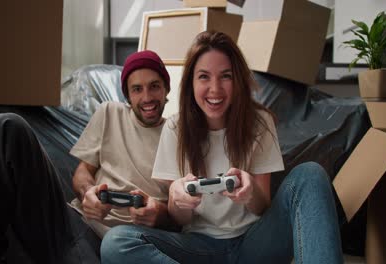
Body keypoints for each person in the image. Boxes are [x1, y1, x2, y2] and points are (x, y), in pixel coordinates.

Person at [100, 31, 343, 264]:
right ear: (191, 83)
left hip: (254, 243)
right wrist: (178, 197)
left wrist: (249, 194)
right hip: (197, 247)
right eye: (204, 76)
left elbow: (262, 206)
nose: (215, 89)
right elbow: (177, 220)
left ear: (237, 80)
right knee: (116, 243)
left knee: (310, 174)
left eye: (225, 76)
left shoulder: (259, 122)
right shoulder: (175, 128)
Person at [0, 50, 177, 263]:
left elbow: (186, 216)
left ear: (166, 89)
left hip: (119, 246)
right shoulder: (109, 112)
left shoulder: (179, 135)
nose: (146, 97)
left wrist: (161, 215)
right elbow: (82, 171)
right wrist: (87, 192)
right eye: (137, 89)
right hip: (73, 223)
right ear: (127, 94)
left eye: (154, 86)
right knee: (2, 127)